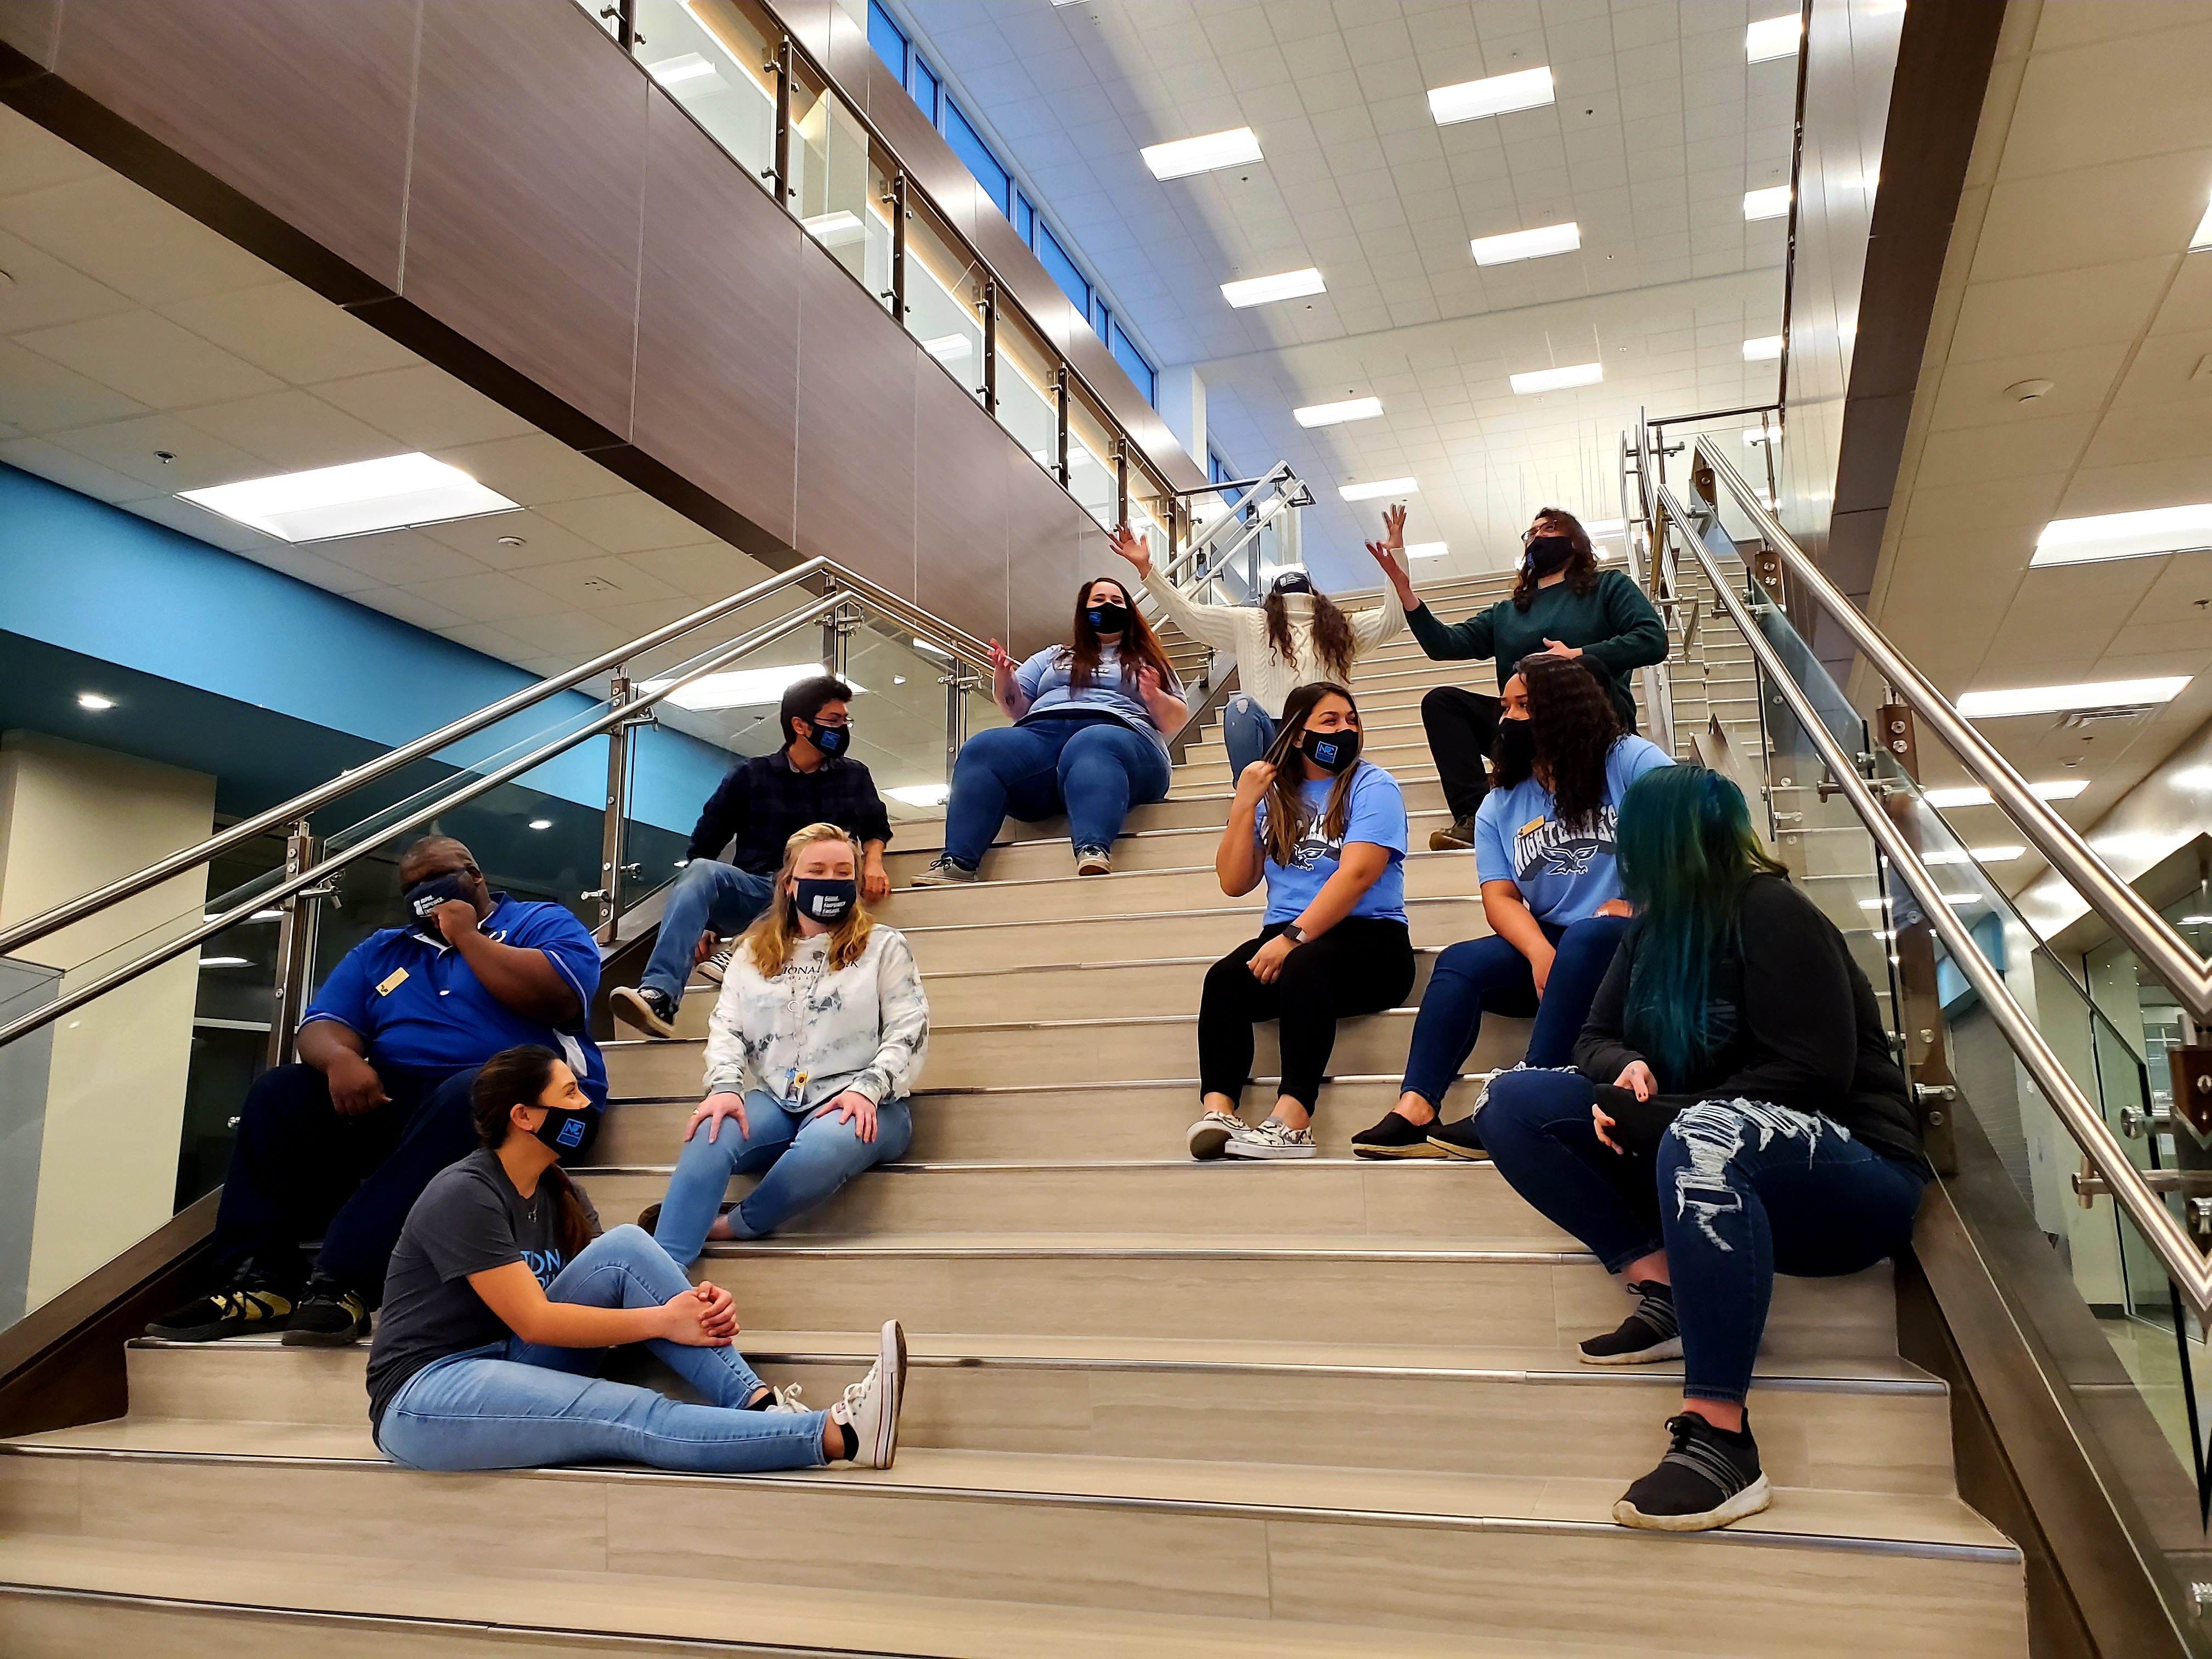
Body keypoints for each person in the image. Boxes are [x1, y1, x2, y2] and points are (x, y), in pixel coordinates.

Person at [1479, 765, 1929, 1533]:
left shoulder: (1772, 910)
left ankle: (1721, 1435)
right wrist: (1623, 1069)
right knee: (1510, 1101)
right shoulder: (1652, 929)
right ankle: (1666, 1289)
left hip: (1851, 1172)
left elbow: (1816, 1070)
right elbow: (1591, 1036)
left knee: (1702, 1134)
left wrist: (1675, 1115)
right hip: (1703, 1148)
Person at [146, 836, 607, 1348]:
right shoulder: (383, 950)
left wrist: (467, 938)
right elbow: (321, 1026)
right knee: (280, 1094)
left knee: (469, 1093)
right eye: (410, 886)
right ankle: (262, 1282)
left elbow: (558, 999)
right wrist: (342, 1059)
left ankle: (344, 1282)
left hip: (544, 1107)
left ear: (475, 875)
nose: (423, 892)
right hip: (412, 1105)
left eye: (436, 878)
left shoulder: (541, 923)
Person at [370, 1046, 905, 1472]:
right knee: (631, 1410)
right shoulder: (466, 1193)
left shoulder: (560, 1192)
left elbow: (611, 1291)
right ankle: (839, 1434)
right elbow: (534, 1319)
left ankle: (759, 1405)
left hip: (510, 1360)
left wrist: (694, 1303)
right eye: (571, 1094)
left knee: (625, 1246)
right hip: (428, 1395)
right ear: (525, 1116)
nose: (586, 1107)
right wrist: (666, 1318)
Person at [1351, 653, 1673, 1160]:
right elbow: (1499, 897)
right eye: (1505, 707)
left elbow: (1692, 833)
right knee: (1460, 961)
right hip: (1558, 945)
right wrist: (1541, 953)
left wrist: (1643, 901)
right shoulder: (1499, 802)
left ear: (1567, 707)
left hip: (1640, 943)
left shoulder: (1629, 760)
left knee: (1589, 936)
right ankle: (1417, 1106)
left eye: (1523, 705)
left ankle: (1523, 1099)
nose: (1508, 719)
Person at [640, 823, 927, 1255]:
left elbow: (909, 1028)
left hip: (869, 1104)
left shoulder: (884, 946)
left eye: (842, 872)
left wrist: (868, 1090)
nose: (831, 881)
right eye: (817, 870)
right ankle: (660, 1274)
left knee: (824, 1146)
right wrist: (723, 1088)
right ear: (790, 884)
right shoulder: (751, 952)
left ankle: (736, 1224)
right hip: (777, 1099)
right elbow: (728, 1027)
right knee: (711, 1131)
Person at [1186, 682, 1414, 1161]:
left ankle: (1294, 1121)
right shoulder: (1275, 798)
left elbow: (1358, 873)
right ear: (1296, 735)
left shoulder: (1373, 785)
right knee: (1224, 979)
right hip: (1292, 941)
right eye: (1330, 722)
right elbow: (1233, 880)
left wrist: (1294, 937)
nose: (1346, 730)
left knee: (1305, 965)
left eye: (1351, 721)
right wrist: (1244, 802)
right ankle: (1219, 1113)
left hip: (1371, 943)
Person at [1367, 506, 1666, 852]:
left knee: (1590, 674)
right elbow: (1443, 644)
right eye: (1532, 532)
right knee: (1442, 702)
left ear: (1576, 541)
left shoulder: (1609, 587)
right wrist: (1406, 591)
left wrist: (1579, 655)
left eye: (1550, 528)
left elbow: (1652, 640)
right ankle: (1475, 817)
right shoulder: (1507, 612)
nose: (1537, 536)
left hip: (1588, 721)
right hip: (1524, 725)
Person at [612, 674, 891, 1038]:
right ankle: (661, 995)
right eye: (834, 721)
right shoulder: (751, 776)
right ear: (800, 725)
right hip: (758, 889)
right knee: (701, 871)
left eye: (845, 721)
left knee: (801, 881)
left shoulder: (854, 776)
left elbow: (876, 828)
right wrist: (706, 920)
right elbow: (705, 845)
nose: (842, 729)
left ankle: (746, 951)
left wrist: (873, 861)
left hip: (819, 891)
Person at [911, 577, 1187, 882]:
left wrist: (1153, 695)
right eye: (1098, 600)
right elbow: (1015, 706)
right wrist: (1003, 675)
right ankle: (959, 861)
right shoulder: (1053, 656)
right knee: (983, 747)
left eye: (1117, 601)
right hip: (1042, 737)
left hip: (1120, 738)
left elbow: (1174, 720)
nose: (1108, 605)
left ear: (1129, 611)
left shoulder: (1147, 660)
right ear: (1083, 610)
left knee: (1091, 743)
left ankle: (1093, 847)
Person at [1108, 510, 1406, 775]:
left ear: (1273, 598)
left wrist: (1149, 571)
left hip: (1292, 735)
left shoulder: (1252, 621)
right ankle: (1259, 799)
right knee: (1244, 706)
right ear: (1316, 595)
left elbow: (1190, 616)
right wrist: (1396, 565)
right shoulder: (1339, 626)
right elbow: (1394, 619)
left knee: (1240, 707)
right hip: (1319, 734)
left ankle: (1252, 800)